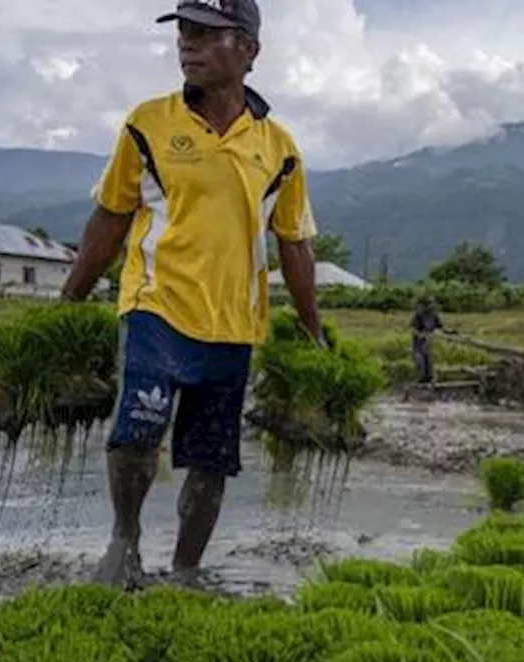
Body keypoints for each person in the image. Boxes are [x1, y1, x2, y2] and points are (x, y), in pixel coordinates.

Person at [60, 0, 326, 590]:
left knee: (212, 457)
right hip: (157, 305)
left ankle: (185, 568)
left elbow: (295, 245)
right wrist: (68, 301)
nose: (188, 43)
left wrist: (314, 330)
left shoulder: (279, 148)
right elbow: (109, 218)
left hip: (234, 325)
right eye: (184, 31)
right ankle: (123, 543)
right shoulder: (148, 124)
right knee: (137, 426)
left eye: (207, 33)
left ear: (250, 50)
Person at [410, 296, 453, 384]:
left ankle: (429, 380)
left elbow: (441, 326)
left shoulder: (434, 315)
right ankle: (420, 381)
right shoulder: (419, 315)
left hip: (428, 342)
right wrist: (420, 335)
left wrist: (450, 332)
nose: (432, 306)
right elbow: (413, 329)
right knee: (420, 360)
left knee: (429, 360)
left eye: (433, 304)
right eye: (430, 304)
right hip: (418, 343)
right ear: (426, 305)